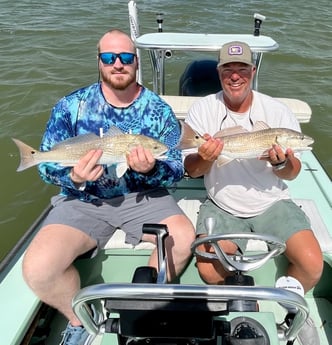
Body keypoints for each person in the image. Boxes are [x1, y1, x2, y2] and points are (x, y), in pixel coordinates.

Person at [22, 29, 195, 345]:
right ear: (99, 61)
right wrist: (73, 177)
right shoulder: (70, 107)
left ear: (136, 62)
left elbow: (177, 168)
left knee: (183, 238)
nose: (118, 64)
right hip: (82, 199)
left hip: (144, 196)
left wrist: (153, 168)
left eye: (126, 57)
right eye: (109, 57)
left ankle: (142, 308)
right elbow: (46, 165)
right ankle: (81, 320)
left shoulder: (159, 111)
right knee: (38, 270)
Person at [183, 41, 323, 344]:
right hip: (222, 203)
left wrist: (283, 161)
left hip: (272, 202)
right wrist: (206, 156)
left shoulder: (276, 110)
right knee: (208, 268)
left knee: (313, 264)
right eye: (228, 69)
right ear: (219, 73)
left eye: (242, 69)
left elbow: (294, 171)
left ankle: (290, 309)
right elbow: (191, 170)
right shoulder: (204, 109)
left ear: (253, 71)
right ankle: (251, 309)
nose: (235, 76)